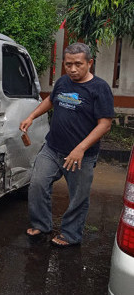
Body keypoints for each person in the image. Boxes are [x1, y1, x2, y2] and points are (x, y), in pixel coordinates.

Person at [19, 42, 114, 247]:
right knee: (37, 184)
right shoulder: (63, 82)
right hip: (52, 148)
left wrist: (80, 148)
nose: (72, 69)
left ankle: (71, 234)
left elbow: (105, 124)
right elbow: (51, 100)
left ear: (90, 63)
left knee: (78, 197)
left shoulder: (99, 88)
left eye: (78, 64)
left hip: (82, 155)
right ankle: (41, 224)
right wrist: (32, 116)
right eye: (68, 64)